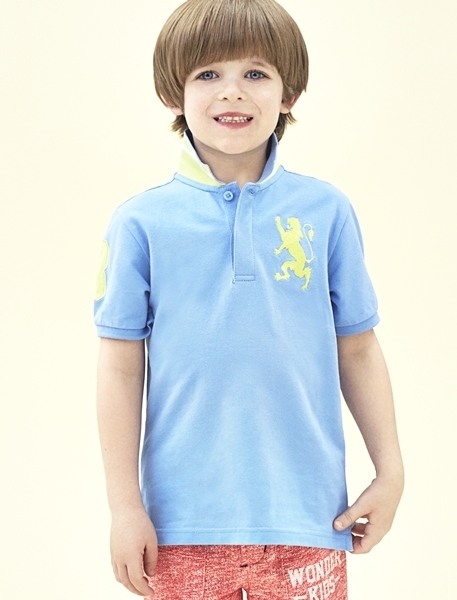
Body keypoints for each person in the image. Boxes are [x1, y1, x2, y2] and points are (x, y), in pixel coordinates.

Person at [94, 0, 404, 598]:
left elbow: (359, 350)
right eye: (208, 73)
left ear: (290, 94)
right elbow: (119, 367)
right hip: (179, 528)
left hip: (311, 522)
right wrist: (124, 507)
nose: (232, 91)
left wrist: (390, 471)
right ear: (172, 94)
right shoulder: (140, 223)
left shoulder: (327, 212)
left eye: (255, 73)